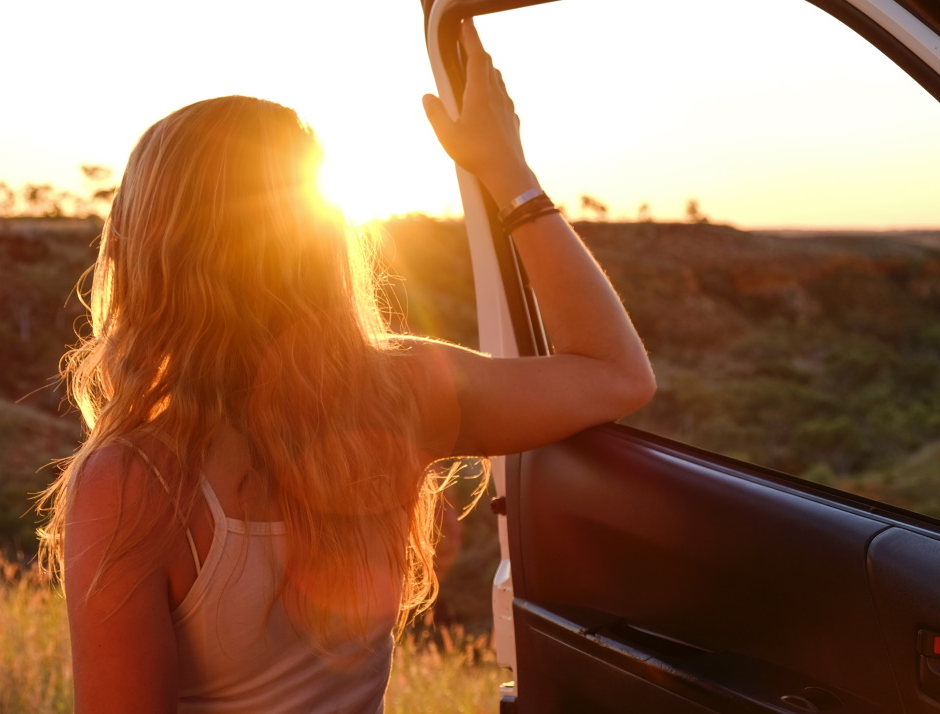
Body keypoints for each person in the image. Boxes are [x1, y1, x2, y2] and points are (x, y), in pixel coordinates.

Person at [37, 19, 655, 714]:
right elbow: (614, 373)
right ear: (321, 238)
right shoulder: (400, 391)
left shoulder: (132, 481)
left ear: (142, 251)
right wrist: (508, 171)